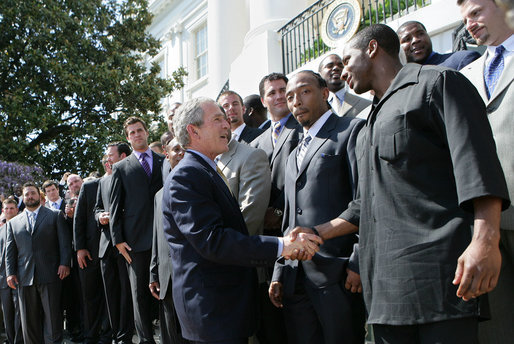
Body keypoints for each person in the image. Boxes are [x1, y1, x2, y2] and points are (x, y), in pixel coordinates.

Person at [290, 23, 509, 343]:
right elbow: (363, 205)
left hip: (441, 284)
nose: (343, 71)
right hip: (385, 295)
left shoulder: (437, 84)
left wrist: (484, 241)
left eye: (348, 60)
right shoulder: (366, 127)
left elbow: (477, 166)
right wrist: (316, 233)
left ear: (372, 48)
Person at [162, 97, 322, 344]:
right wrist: (282, 246)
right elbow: (213, 241)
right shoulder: (187, 176)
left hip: (225, 309)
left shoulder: (206, 171)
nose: (226, 125)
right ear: (193, 131)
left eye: (225, 119)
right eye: (217, 119)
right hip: (212, 312)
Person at [269, 70, 365, 344]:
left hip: (340, 273)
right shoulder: (293, 153)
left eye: (304, 92)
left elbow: (364, 202)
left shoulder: (351, 130)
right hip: (296, 277)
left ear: (325, 93)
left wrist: (358, 261)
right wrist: (280, 270)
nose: (295, 101)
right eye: (289, 97)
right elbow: (289, 219)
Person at [458, 1, 514, 342]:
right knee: (498, 329)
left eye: (476, 12)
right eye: (465, 18)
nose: (470, 24)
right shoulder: (464, 77)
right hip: (485, 223)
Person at [250, 72, 302, 343]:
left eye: (283, 90)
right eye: (272, 92)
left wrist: (280, 212)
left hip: (294, 230)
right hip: (266, 239)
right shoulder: (256, 143)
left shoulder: (302, 128)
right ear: (263, 100)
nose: (279, 96)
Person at [110, 117, 164, 344]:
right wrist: (118, 240)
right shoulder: (120, 167)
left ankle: (169, 335)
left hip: (163, 237)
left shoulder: (164, 161)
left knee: (165, 289)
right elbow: (114, 206)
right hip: (134, 241)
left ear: (146, 132)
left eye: (139, 130)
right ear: (127, 138)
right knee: (138, 294)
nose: (136, 135)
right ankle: (145, 339)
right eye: (131, 133)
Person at [6, 183, 72, 344]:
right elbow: (10, 251)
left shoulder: (54, 215)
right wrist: (10, 273)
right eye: (27, 194)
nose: (30, 196)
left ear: (39, 195)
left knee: (52, 319)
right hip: (24, 277)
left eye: (33, 193)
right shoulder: (14, 223)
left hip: (50, 274)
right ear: (23, 197)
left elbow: (64, 243)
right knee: (29, 321)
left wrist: (65, 263)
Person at [95, 142, 134, 344]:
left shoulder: (132, 176)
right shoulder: (103, 181)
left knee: (127, 294)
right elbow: (96, 208)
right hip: (105, 247)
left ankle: (125, 336)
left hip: (126, 245)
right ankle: (115, 335)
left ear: (123, 156)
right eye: (106, 156)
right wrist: (100, 215)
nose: (107, 160)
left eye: (110, 155)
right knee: (111, 295)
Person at [149, 138, 188, 344]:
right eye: (176, 150)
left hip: (193, 279)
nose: (181, 153)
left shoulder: (202, 182)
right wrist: (154, 272)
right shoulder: (158, 195)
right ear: (167, 154)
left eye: (185, 149)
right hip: (166, 278)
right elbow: (157, 234)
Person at [73, 176, 111, 344]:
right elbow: (78, 218)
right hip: (89, 253)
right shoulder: (89, 187)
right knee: (89, 297)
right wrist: (80, 248)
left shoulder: (120, 180)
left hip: (113, 251)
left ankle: (108, 335)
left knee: (111, 297)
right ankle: (90, 336)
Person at [397, 20, 481, 70]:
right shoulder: (401, 82)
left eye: (420, 34)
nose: (415, 40)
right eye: (407, 39)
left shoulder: (462, 60)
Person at [0, 199, 22, 344]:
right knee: (7, 315)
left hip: (20, 278)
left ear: (17, 209)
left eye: (12, 208)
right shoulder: (1, 229)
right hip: (3, 280)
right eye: (6, 208)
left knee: (19, 315)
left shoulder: (22, 226)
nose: (9, 211)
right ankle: (10, 339)